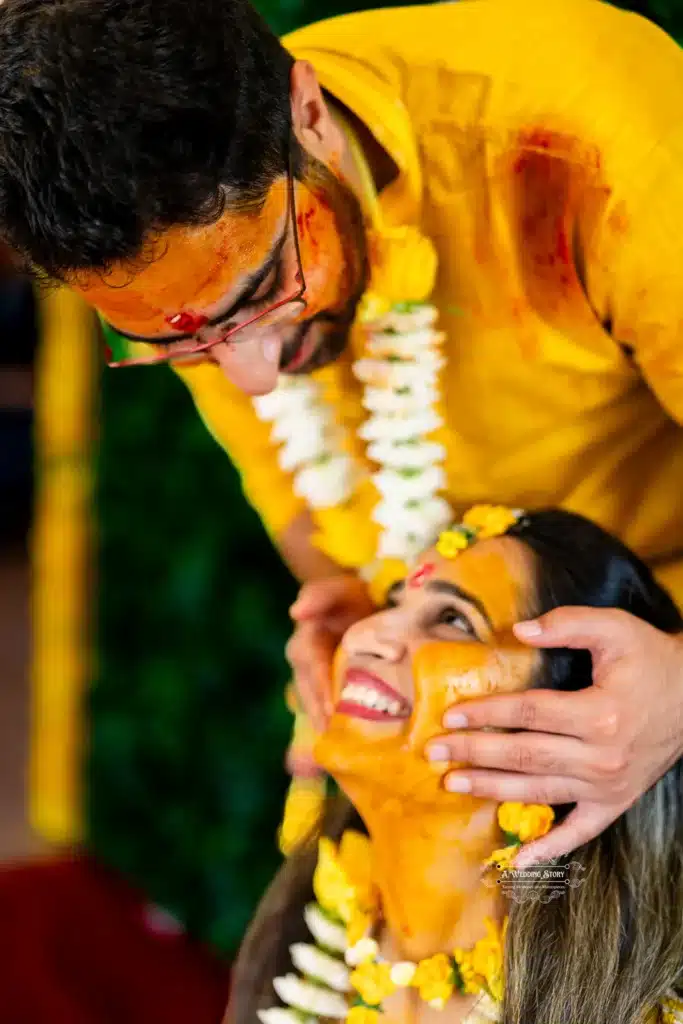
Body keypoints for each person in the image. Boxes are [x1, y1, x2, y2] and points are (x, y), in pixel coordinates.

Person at [1, 0, 683, 859]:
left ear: (309, 116)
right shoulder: (186, 247)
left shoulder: (600, 145)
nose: (250, 374)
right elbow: (296, 495)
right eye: (174, 344)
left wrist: (676, 690)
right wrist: (355, 612)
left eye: (261, 295)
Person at [227, 507, 683, 1024]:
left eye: (453, 620)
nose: (365, 634)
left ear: (585, 721)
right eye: (390, 602)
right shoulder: (300, 951)